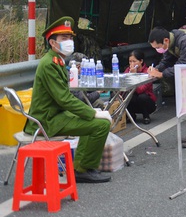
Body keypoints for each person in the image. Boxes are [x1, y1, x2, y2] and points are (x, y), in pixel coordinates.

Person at [26, 17, 112, 183]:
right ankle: (84, 168)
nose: (69, 41)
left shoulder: (57, 60)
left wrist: (90, 112)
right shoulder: (49, 64)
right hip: (47, 119)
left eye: (70, 37)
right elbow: (64, 99)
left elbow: (64, 99)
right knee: (100, 125)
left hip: (55, 114)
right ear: (52, 43)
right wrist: (92, 113)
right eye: (64, 38)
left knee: (91, 121)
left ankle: (81, 167)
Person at [124, 50, 156, 124]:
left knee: (142, 97)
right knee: (128, 96)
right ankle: (131, 115)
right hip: (134, 100)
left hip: (147, 101)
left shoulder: (147, 71)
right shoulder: (128, 70)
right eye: (130, 61)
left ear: (141, 61)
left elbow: (140, 89)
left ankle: (146, 116)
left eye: (134, 61)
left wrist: (134, 76)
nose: (132, 64)